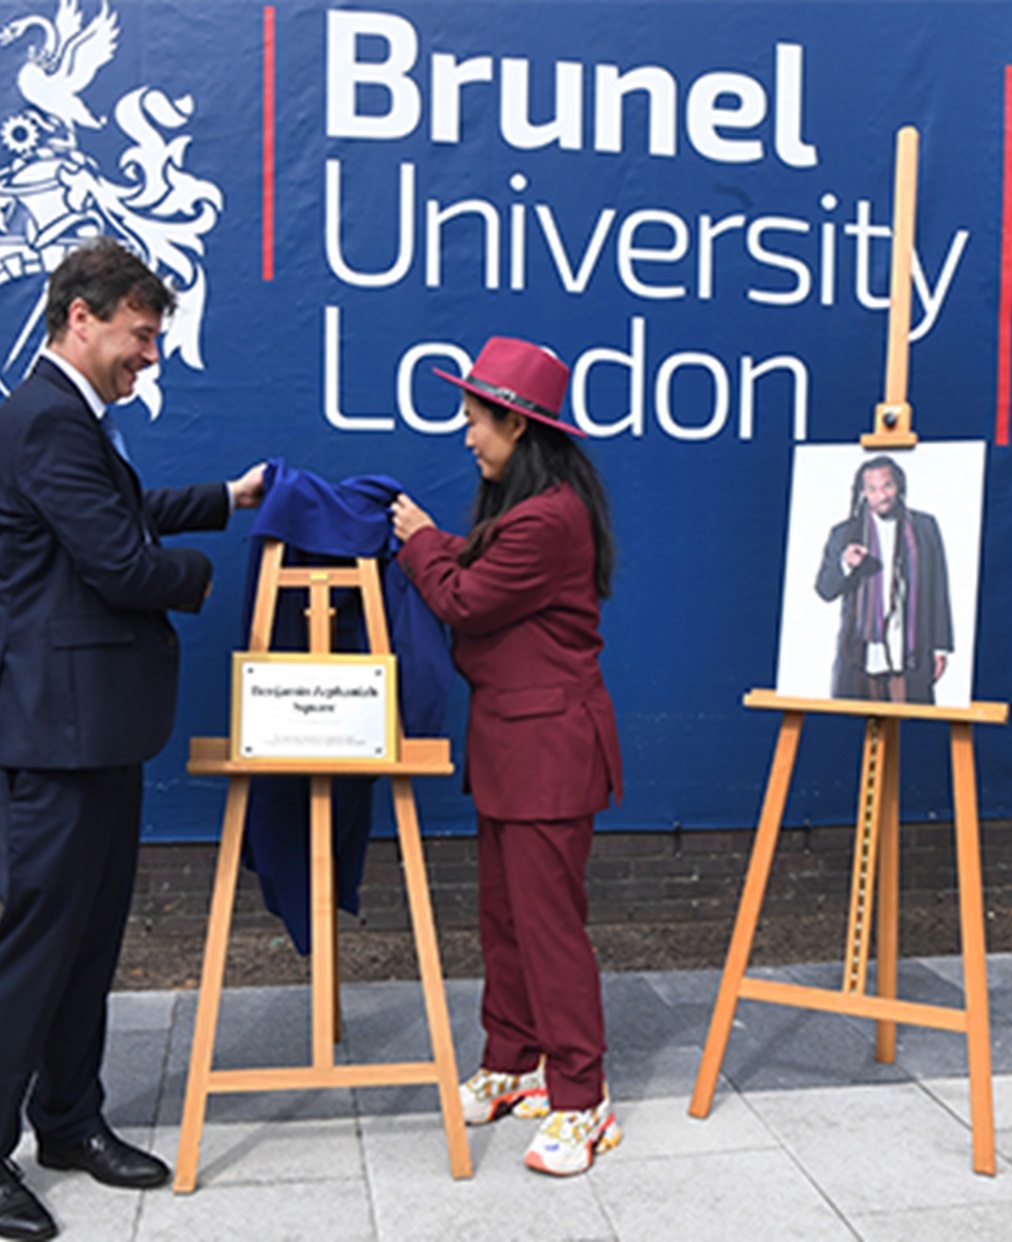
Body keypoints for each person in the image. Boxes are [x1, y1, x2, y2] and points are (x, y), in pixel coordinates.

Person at [0, 238, 266, 1241]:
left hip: (91, 729)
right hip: (46, 734)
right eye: (139, 334)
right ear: (81, 317)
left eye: (153, 336)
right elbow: (123, 564)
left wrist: (227, 500)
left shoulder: (72, 420)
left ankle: (70, 1123)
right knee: (35, 949)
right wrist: (206, 577)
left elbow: (119, 513)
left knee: (86, 946)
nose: (149, 354)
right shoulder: (45, 420)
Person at [388, 336, 624, 1177]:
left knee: (550, 931)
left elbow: (462, 596)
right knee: (505, 922)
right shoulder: (526, 514)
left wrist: (418, 540)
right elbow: (475, 568)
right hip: (512, 751)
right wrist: (439, 542)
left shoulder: (547, 519)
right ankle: (514, 1063)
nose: (465, 435)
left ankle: (581, 1100)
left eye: (474, 420)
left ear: (517, 427)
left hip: (549, 755)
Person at [812, 454, 954, 704]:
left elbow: (938, 589)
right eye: (873, 489)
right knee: (858, 730)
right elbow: (825, 589)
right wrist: (845, 565)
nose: (882, 495)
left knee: (911, 730)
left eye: (887, 485)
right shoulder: (844, 533)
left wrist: (940, 647)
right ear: (863, 493)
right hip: (861, 654)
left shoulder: (925, 527)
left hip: (910, 651)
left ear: (899, 486)